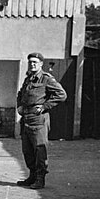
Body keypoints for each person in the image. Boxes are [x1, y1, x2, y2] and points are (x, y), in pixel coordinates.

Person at [16, 52, 67, 189]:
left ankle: (40, 178)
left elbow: (62, 95)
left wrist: (45, 106)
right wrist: (19, 106)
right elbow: (20, 94)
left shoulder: (46, 79)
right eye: (30, 62)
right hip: (26, 118)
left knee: (40, 149)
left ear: (41, 64)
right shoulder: (29, 78)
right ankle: (32, 176)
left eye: (35, 62)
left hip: (38, 119)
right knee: (27, 150)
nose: (32, 64)